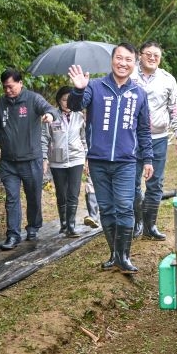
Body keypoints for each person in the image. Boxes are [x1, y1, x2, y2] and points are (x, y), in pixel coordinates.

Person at [67, 42, 154, 274]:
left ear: (134, 63)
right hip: (98, 160)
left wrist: (148, 159)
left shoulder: (139, 94)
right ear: (112, 60)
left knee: (125, 207)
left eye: (128, 60)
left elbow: (144, 130)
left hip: (126, 161)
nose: (123, 63)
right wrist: (78, 89)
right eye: (119, 58)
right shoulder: (94, 86)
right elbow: (76, 106)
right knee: (106, 208)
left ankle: (124, 256)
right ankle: (113, 254)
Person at [0, 68, 60, 250]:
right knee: (11, 198)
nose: (8, 91)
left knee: (33, 196)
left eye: (11, 87)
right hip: (9, 161)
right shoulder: (1, 103)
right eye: (5, 87)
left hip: (31, 160)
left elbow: (50, 109)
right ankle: (13, 235)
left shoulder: (33, 99)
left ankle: (33, 226)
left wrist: (50, 115)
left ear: (20, 83)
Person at [130, 40, 177, 241]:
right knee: (132, 182)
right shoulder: (129, 75)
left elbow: (176, 108)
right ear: (139, 55)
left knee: (155, 183)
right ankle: (136, 223)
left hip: (158, 138)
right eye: (148, 54)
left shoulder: (167, 79)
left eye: (156, 55)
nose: (152, 58)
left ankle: (150, 225)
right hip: (132, 138)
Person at [42, 86, 87, 237]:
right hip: (57, 160)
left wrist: (87, 157)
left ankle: (72, 225)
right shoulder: (51, 117)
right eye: (64, 99)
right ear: (58, 101)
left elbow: (84, 138)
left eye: (70, 99)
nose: (67, 102)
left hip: (76, 158)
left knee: (73, 192)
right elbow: (45, 138)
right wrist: (45, 158)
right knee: (61, 193)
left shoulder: (80, 116)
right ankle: (63, 223)